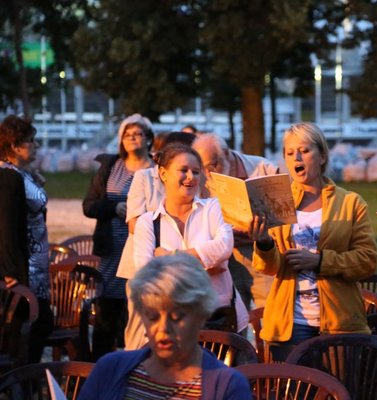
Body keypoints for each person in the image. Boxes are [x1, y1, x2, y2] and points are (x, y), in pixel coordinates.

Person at [249, 122, 377, 362]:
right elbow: (270, 267)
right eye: (289, 152)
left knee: (339, 391)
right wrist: (264, 243)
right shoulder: (277, 200)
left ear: (322, 156)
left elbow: (367, 261)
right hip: (291, 324)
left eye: (305, 150)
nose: (296, 157)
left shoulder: (351, 203)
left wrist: (320, 261)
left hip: (340, 322)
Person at [78, 253, 251, 400]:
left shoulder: (228, 387)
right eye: (152, 317)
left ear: (201, 315)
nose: (163, 327)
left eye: (176, 317)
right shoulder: (109, 369)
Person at [133, 143, 248, 337]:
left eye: (196, 172)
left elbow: (224, 247)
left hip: (220, 318)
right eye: (183, 170)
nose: (190, 177)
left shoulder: (212, 208)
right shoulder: (148, 222)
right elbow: (146, 275)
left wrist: (170, 258)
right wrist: (206, 264)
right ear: (163, 174)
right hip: (171, 323)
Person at [83, 113, 154, 360]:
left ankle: (134, 367)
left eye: (138, 134)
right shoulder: (111, 167)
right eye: (127, 134)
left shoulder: (158, 169)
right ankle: (100, 369)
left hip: (144, 252)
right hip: (112, 251)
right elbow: (89, 205)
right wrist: (114, 208)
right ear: (120, 140)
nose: (132, 138)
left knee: (136, 312)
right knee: (106, 314)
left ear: (148, 139)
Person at [118, 132, 198, 350]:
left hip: (179, 272)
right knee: (139, 329)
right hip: (143, 263)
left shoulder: (195, 179)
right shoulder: (144, 178)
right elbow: (134, 221)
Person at [193, 133, 279, 310]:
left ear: (226, 153)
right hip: (227, 256)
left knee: (271, 309)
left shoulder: (263, 167)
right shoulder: (202, 177)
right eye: (202, 167)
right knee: (233, 314)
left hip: (262, 250)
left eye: (213, 164)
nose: (208, 173)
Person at [0, 115, 54, 363]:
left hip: (36, 265)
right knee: (34, 324)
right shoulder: (8, 176)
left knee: (38, 324)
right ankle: (20, 382)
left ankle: (23, 381)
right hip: (25, 269)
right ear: (13, 146)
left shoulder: (19, 173)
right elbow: (7, 227)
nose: (35, 146)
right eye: (30, 141)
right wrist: (11, 271)